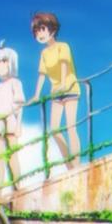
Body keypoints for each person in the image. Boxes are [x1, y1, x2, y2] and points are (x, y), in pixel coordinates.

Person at [30, 11, 81, 170]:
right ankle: (69, 165)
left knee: (71, 127)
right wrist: (36, 95)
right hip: (55, 92)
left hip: (70, 87)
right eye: (37, 31)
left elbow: (65, 64)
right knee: (54, 129)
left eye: (42, 29)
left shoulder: (63, 46)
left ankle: (77, 164)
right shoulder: (44, 53)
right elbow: (42, 74)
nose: (40, 34)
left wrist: (64, 83)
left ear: (52, 29)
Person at [0, 40, 25, 190]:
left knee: (12, 157)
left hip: (10, 123)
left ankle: (18, 187)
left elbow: (19, 105)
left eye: (3, 61)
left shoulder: (15, 83)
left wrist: (18, 126)